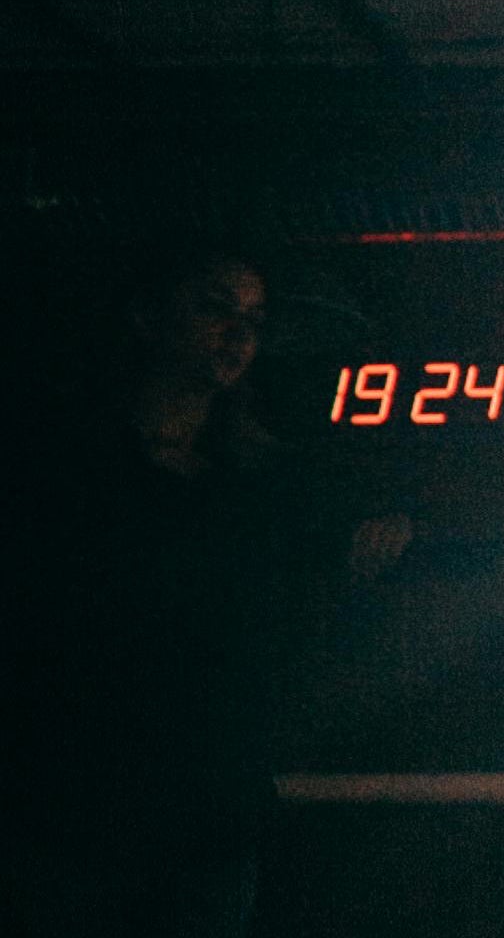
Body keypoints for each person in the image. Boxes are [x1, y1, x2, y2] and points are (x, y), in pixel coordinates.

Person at [3, 248, 407, 937]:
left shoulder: (258, 484)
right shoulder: (65, 468)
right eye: (215, 308)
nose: (238, 333)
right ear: (150, 317)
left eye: (253, 318)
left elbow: (287, 617)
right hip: (73, 802)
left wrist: (372, 545)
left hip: (205, 808)